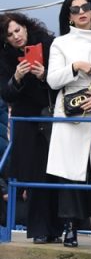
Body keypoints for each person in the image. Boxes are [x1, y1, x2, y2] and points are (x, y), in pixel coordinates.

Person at [46, 0, 91, 247]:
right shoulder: (60, 43)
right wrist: (75, 66)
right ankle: (70, 227)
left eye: (85, 7)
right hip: (71, 115)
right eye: (75, 10)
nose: (81, 12)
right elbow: (52, 80)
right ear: (69, 16)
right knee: (70, 172)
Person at [0, 13, 61, 243]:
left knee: (54, 174)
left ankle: (56, 228)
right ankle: (38, 231)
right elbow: (6, 94)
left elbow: (60, 86)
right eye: (10, 34)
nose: (16, 36)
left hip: (50, 115)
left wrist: (44, 75)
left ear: (26, 27)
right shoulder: (5, 58)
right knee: (34, 177)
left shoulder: (48, 44)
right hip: (26, 121)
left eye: (18, 30)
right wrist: (16, 77)